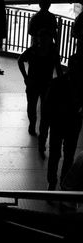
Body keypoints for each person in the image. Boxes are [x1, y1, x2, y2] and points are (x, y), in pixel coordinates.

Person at [17, 29, 63, 155]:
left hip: (34, 83)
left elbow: (20, 60)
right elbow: (58, 69)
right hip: (45, 85)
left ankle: (34, 126)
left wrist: (26, 77)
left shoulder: (33, 51)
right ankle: (40, 134)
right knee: (43, 110)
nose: (42, 40)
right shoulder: (52, 52)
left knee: (34, 107)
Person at [42, 53, 83, 191]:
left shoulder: (56, 83)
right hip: (72, 124)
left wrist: (45, 128)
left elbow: (47, 107)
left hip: (58, 123)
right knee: (66, 155)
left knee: (57, 155)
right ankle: (62, 184)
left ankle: (52, 182)